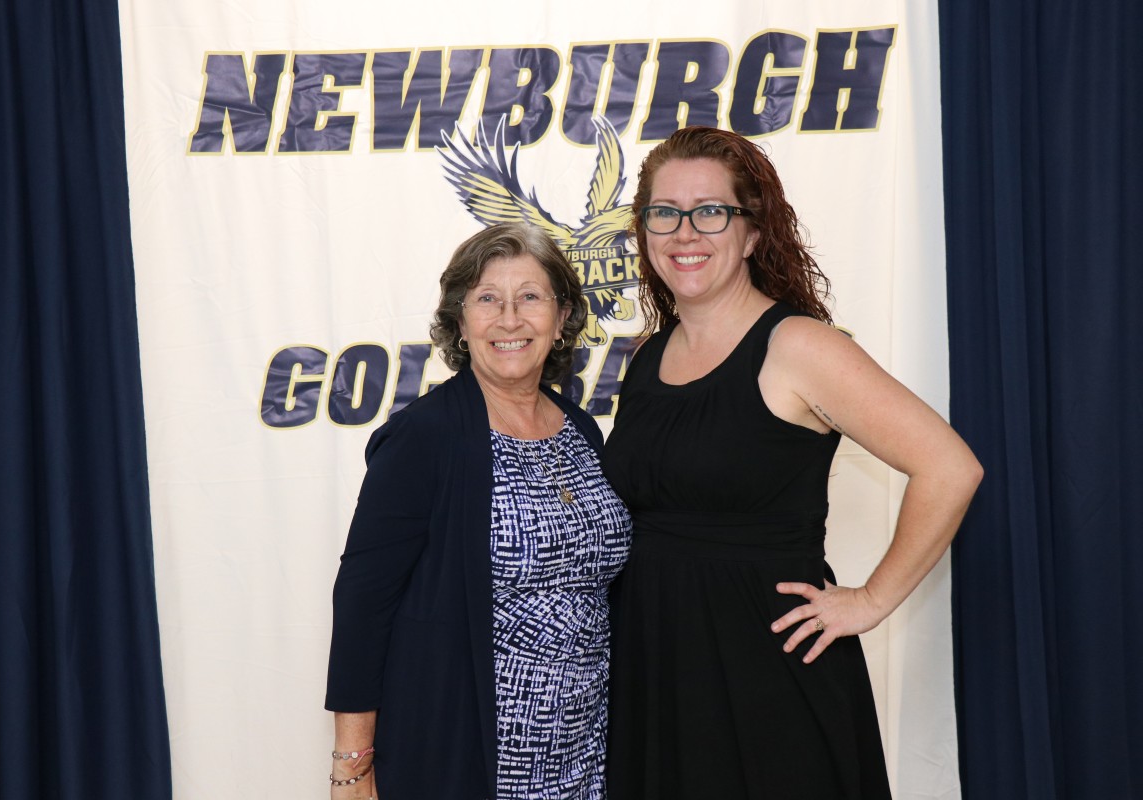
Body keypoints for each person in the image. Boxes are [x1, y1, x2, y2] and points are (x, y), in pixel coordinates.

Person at [601, 126, 983, 799]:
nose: (684, 233)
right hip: (658, 669)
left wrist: (868, 600)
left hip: (768, 673)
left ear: (752, 233)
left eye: (710, 212)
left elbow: (950, 467)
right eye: (664, 213)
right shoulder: (647, 359)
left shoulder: (798, 346)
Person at [325, 222, 631, 800]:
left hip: (585, 754)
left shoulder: (583, 432)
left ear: (561, 317)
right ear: (461, 322)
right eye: (488, 299)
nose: (509, 318)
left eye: (530, 297)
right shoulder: (424, 438)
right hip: (468, 754)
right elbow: (364, 603)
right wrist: (353, 767)